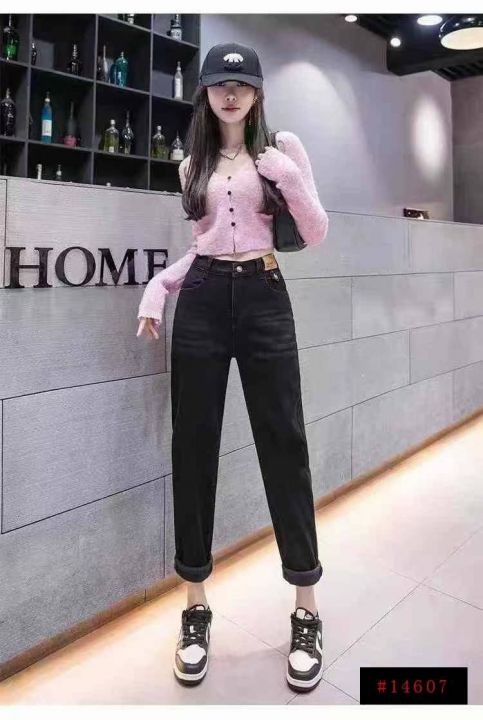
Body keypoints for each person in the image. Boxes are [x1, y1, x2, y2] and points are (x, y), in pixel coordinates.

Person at [136, 41, 329, 693]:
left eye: (241, 84)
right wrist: (157, 288)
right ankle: (195, 608)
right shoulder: (189, 164)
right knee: (193, 447)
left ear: (257, 93)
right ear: (205, 92)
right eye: (219, 83)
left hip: (265, 297)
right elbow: (201, 249)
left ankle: (306, 610)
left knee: (285, 444)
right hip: (202, 300)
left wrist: (289, 178)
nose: (230, 93)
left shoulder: (283, 149)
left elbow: (316, 230)